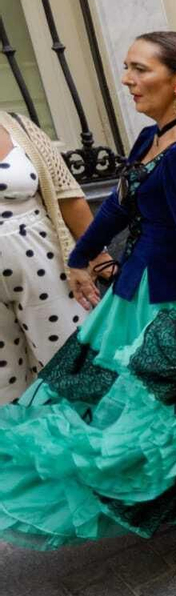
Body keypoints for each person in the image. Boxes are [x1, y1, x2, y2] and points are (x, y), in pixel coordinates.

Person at [0, 31, 176, 551]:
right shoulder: (153, 136)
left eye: (139, 69)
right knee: (136, 400)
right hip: (139, 295)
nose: (126, 80)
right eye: (126, 67)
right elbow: (119, 203)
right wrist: (81, 255)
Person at [0, 110, 110, 397]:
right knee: (5, 381)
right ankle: (19, 440)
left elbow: (68, 196)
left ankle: (87, 438)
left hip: (43, 262)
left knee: (68, 360)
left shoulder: (19, 126)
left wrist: (96, 256)